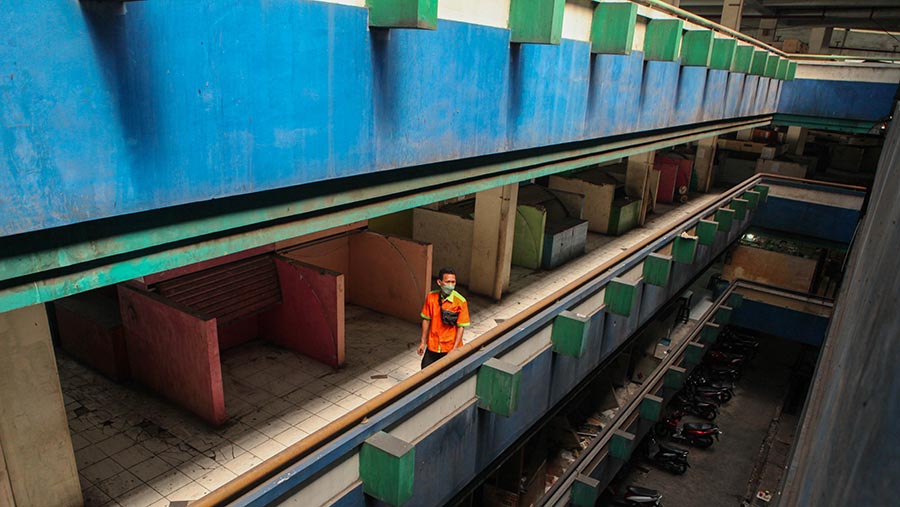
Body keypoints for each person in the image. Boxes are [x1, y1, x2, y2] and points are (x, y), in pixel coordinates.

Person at [417, 267, 470, 369]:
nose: (450, 285)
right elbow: (426, 319)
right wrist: (423, 342)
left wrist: (454, 349)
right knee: (425, 370)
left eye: (453, 282)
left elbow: (461, 327)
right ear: (439, 282)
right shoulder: (431, 297)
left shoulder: (460, 301)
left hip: (450, 348)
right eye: (447, 282)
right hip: (433, 346)